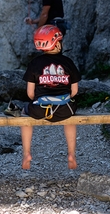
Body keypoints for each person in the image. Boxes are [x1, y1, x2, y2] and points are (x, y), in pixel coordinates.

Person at [21, 25, 81, 170]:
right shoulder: (68, 62)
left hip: (40, 109)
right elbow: (74, 91)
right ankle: (71, 154)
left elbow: (30, 94)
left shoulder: (35, 63)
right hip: (64, 109)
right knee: (71, 119)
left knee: (24, 115)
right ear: (57, 43)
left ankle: (27, 153)